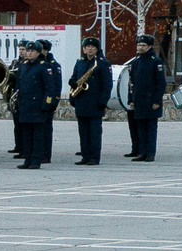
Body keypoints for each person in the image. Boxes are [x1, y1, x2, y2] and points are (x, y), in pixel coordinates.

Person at [11, 41, 58, 169]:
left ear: (38, 53)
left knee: (37, 136)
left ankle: (36, 160)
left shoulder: (44, 66)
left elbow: (50, 88)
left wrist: (46, 104)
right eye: (28, 51)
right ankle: (27, 159)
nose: (29, 53)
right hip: (25, 105)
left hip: (37, 106)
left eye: (32, 51)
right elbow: (19, 86)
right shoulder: (24, 66)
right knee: (26, 135)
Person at [123, 38, 166, 162]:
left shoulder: (155, 62)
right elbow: (132, 84)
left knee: (151, 129)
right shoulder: (135, 62)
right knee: (140, 128)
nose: (140, 47)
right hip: (139, 101)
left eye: (143, 45)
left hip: (151, 101)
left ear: (150, 46)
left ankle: (150, 153)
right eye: (139, 45)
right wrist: (131, 99)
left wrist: (157, 101)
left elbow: (160, 84)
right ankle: (142, 152)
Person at [68, 42, 111, 164]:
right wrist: (72, 82)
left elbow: (107, 85)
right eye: (87, 47)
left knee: (94, 132)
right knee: (83, 131)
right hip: (81, 101)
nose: (90, 49)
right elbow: (74, 76)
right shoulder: (80, 62)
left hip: (95, 102)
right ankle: (85, 156)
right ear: (84, 49)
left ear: (97, 49)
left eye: (93, 47)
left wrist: (103, 101)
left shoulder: (102, 63)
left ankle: (94, 157)